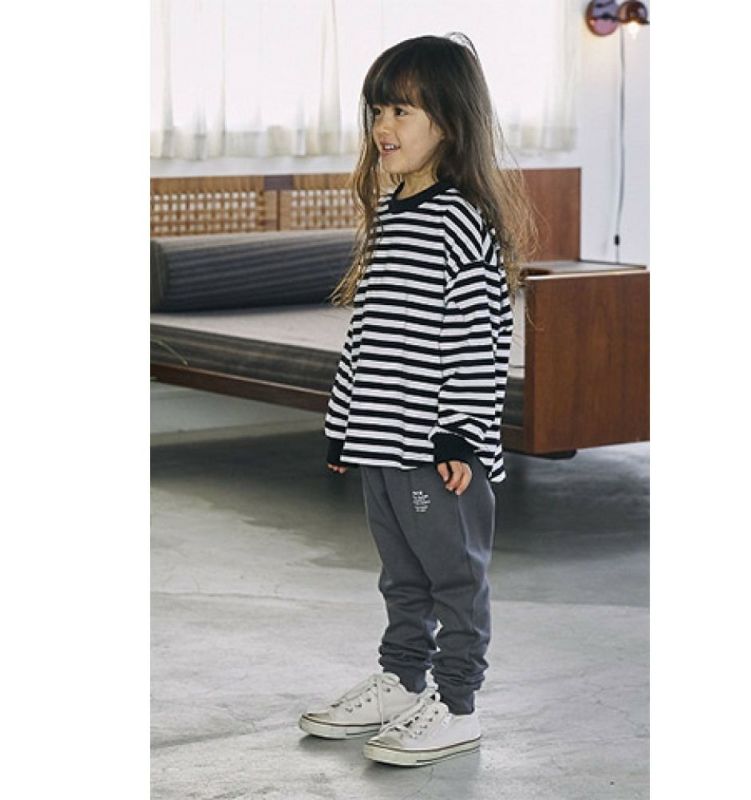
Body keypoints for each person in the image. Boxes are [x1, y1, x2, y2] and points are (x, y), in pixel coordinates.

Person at [298, 32, 537, 767]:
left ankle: (457, 704)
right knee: (401, 576)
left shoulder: (461, 219)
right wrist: (342, 423)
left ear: (450, 122)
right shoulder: (392, 209)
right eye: (378, 110)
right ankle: (402, 681)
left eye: (402, 110)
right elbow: (367, 330)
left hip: (436, 452)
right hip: (379, 439)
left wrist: (460, 434)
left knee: (453, 578)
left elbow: (476, 338)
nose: (383, 126)